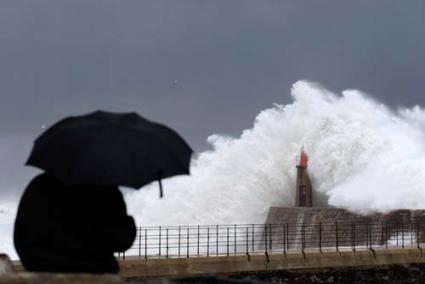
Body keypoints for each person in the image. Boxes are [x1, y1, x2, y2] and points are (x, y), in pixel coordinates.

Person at [14, 173, 136, 273]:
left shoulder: (38, 186)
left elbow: (21, 239)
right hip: (98, 274)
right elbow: (121, 241)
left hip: (42, 273)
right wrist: (129, 223)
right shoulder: (107, 190)